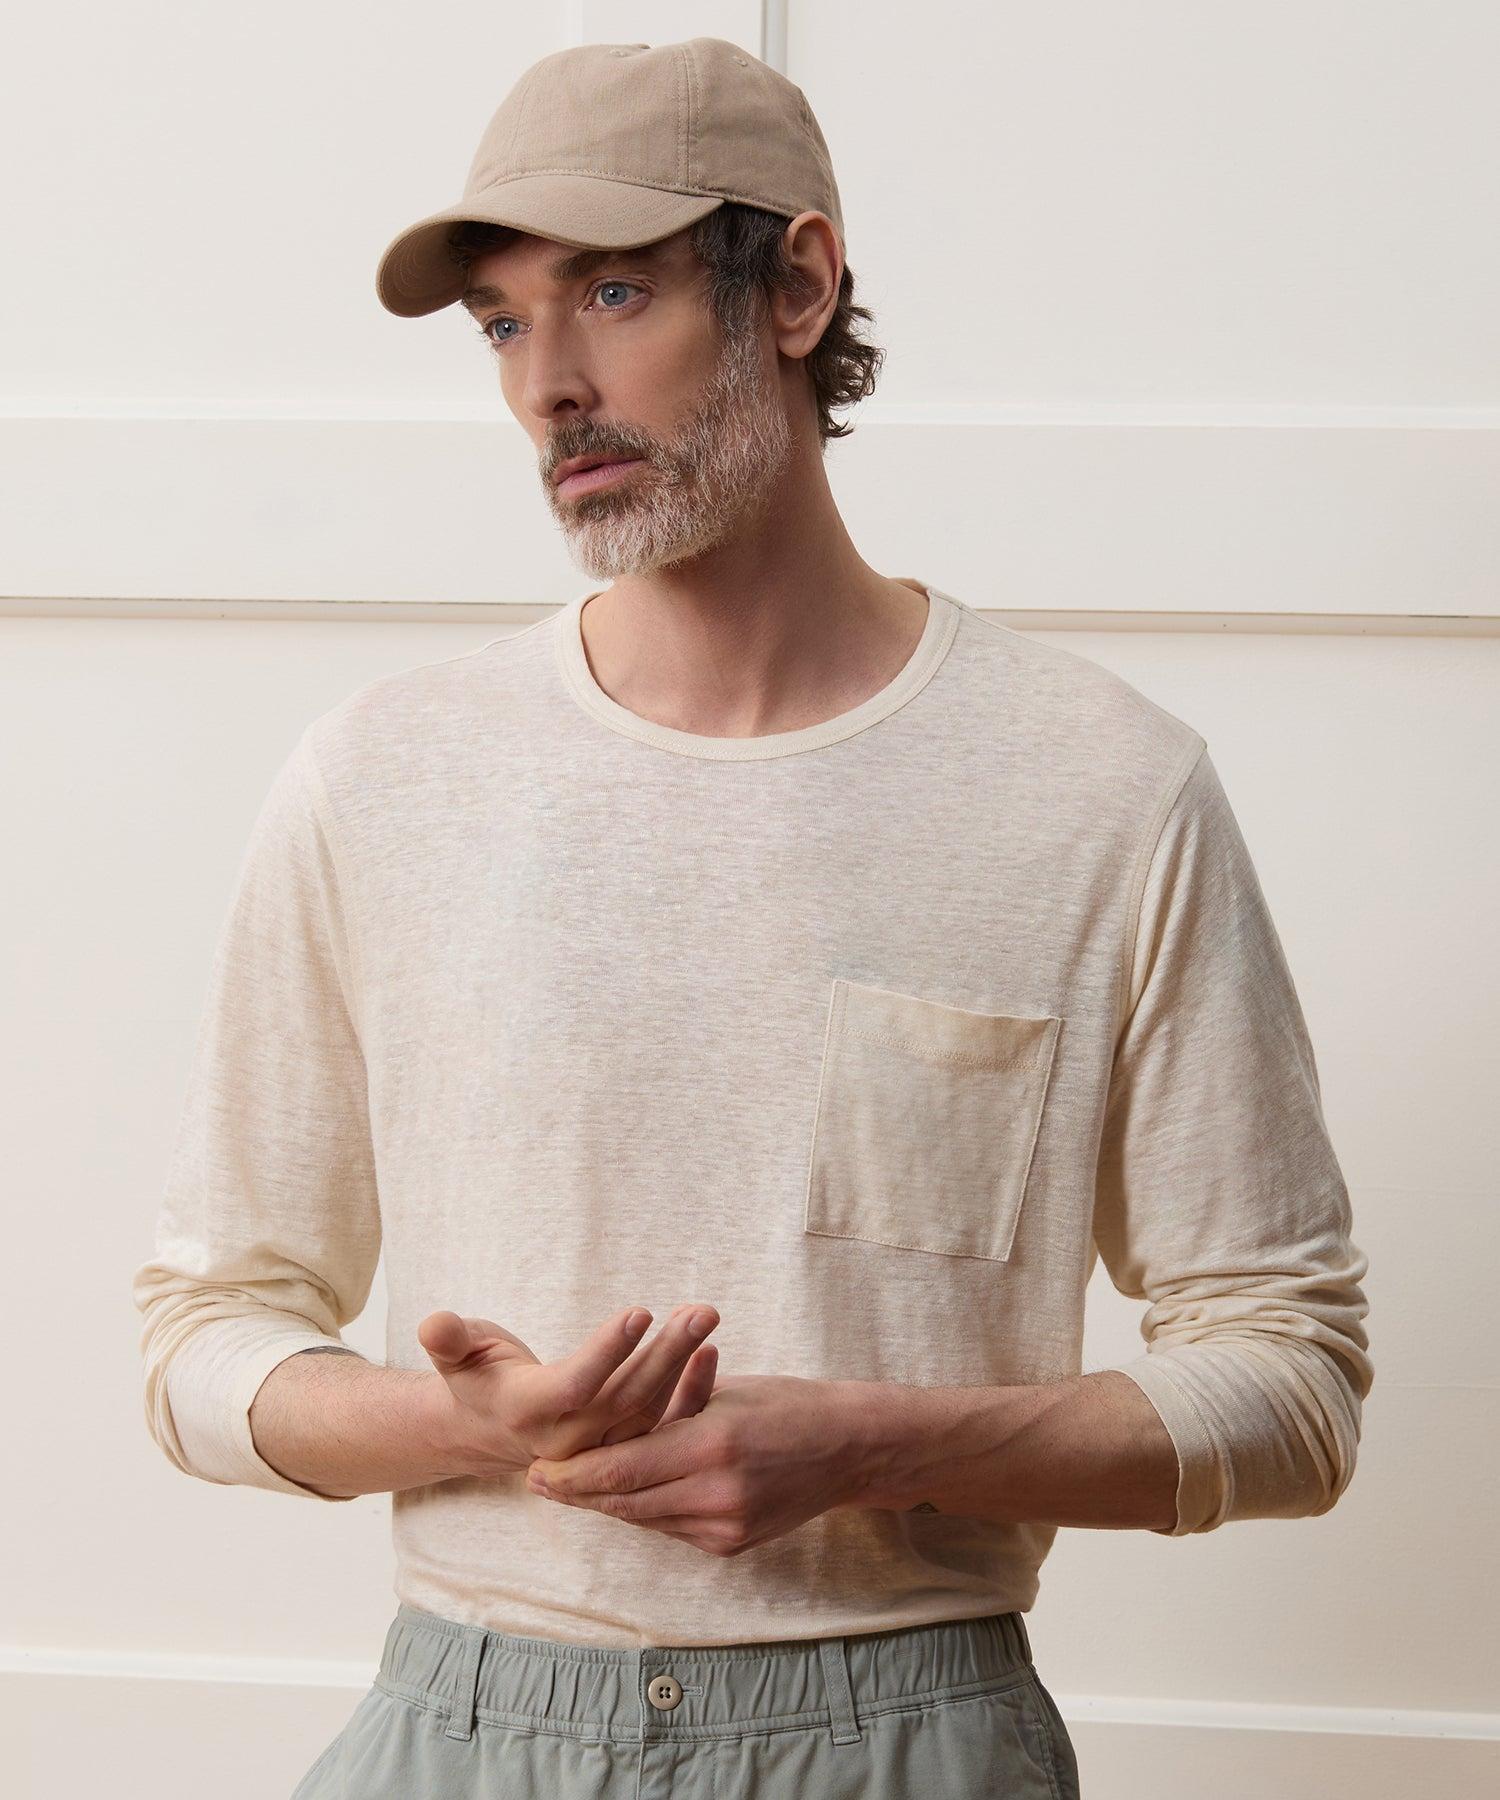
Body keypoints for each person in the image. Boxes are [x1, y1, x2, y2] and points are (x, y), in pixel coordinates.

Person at [132, 37, 1373, 1800]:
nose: (548, 386)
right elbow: (203, 1337)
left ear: (795, 285)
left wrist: (878, 1447)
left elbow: (1294, 1381)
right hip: (463, 1729)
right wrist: (461, 1426)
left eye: (610, 293)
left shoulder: (1102, 787)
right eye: (500, 324)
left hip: (910, 1734)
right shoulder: (382, 778)